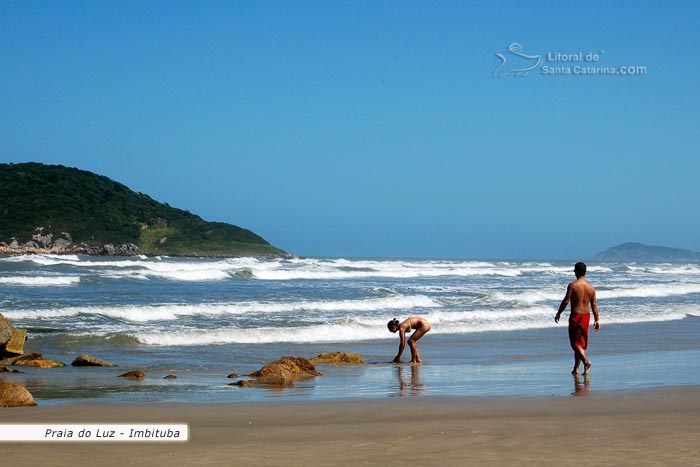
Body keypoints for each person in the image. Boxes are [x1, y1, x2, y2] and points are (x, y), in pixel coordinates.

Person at [555, 262, 600, 375]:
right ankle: (577, 369)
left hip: (576, 316)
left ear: (577, 272)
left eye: (574, 271)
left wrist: (559, 312)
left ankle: (586, 361)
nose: (574, 272)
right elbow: (594, 306)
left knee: (575, 343)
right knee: (581, 343)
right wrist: (597, 320)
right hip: (586, 316)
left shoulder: (573, 285)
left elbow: (566, 300)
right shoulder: (591, 288)